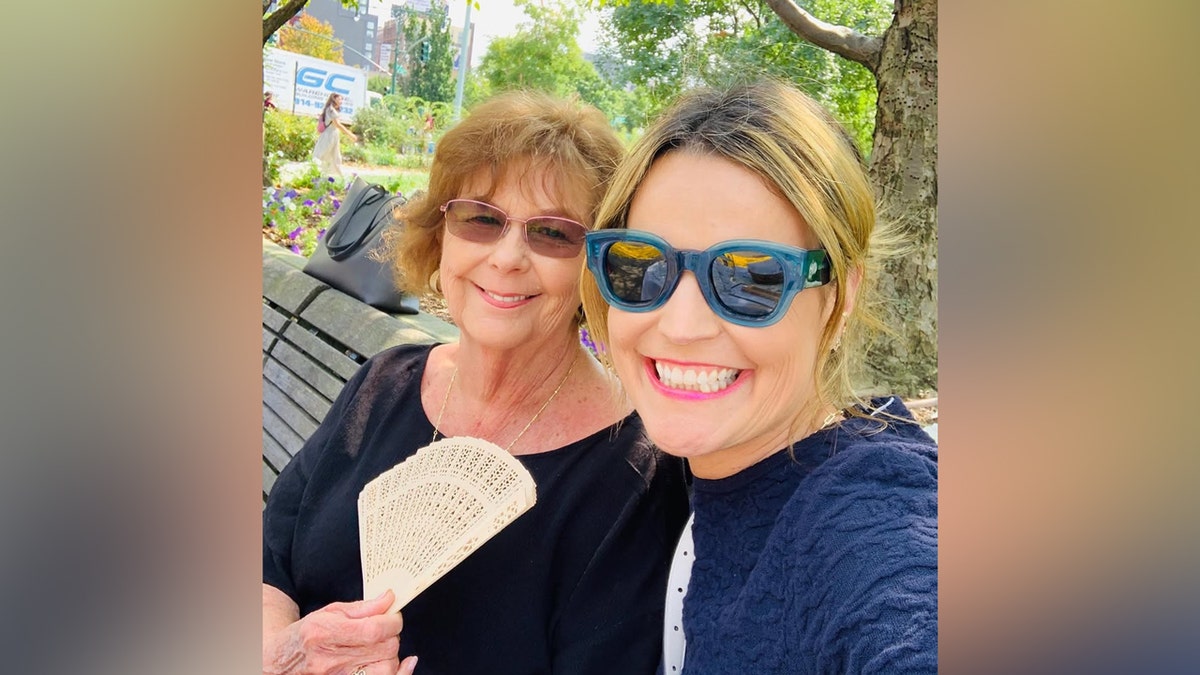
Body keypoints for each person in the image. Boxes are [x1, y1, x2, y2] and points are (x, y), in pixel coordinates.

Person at [263, 90, 690, 675]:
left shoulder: (634, 479)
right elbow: (268, 564)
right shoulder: (383, 384)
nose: (508, 257)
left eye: (553, 233)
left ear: (598, 264)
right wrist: (282, 653)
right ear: (441, 235)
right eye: (481, 219)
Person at [580, 79, 938, 673]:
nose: (682, 324)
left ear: (840, 296)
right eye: (642, 266)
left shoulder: (865, 515)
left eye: (751, 278)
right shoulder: (713, 472)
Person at [312, 92, 357, 179]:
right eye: (339, 99)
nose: (341, 101)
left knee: (332, 155)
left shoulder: (330, 110)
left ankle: (337, 175)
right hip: (329, 135)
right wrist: (350, 134)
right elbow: (338, 125)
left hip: (331, 134)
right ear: (334, 99)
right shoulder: (331, 110)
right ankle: (316, 173)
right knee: (322, 154)